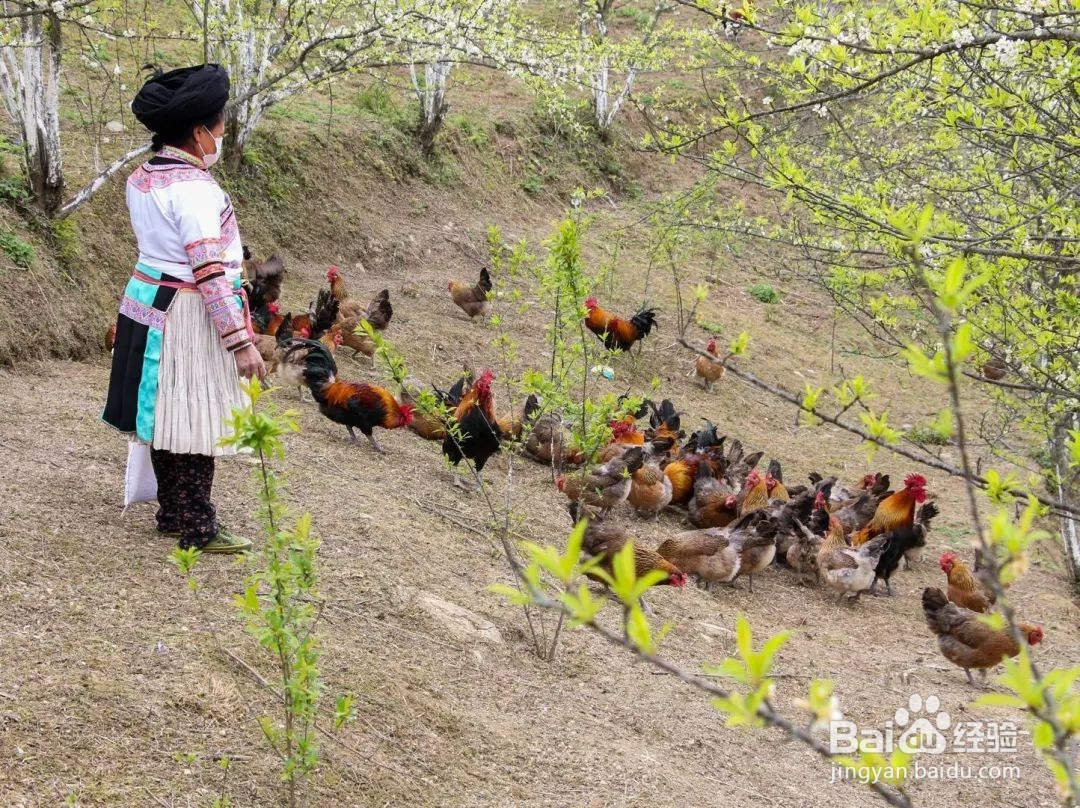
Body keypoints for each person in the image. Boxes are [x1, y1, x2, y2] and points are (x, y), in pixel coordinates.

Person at [102, 64, 265, 554]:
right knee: (196, 416)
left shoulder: (143, 177)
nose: (222, 133)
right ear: (199, 133)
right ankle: (199, 525)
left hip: (149, 301)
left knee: (165, 411)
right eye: (220, 125)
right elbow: (208, 270)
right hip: (189, 311)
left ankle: (173, 512)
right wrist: (240, 341)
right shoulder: (195, 190)